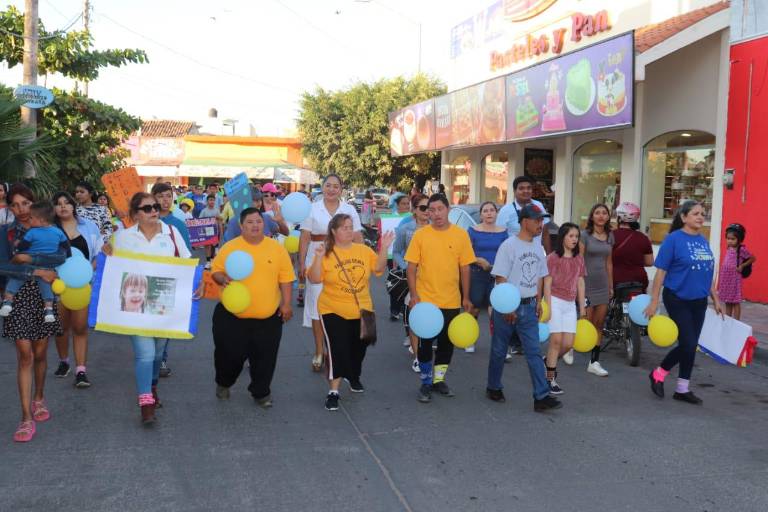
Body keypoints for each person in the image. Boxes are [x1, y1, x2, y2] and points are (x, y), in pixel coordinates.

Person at [110, 192, 194, 425]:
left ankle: (153, 384)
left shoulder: (172, 233)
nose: (154, 211)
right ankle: (146, 401)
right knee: (145, 354)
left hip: (164, 303)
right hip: (135, 303)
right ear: (135, 214)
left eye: (155, 207)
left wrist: (194, 286)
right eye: (147, 208)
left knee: (157, 353)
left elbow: (186, 263)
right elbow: (110, 265)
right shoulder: (123, 237)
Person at [0, 185, 65, 442]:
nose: (21, 210)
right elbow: (5, 265)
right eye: (15, 205)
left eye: (25, 203)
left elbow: (63, 256)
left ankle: (39, 396)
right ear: (10, 207)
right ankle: (26, 417)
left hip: (45, 296)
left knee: (39, 353)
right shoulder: (6, 233)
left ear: (33, 204)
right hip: (16, 297)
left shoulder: (50, 230)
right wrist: (39, 271)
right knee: (24, 355)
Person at [309, 213, 393, 410]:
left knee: (359, 348)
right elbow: (313, 278)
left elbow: (379, 268)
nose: (349, 231)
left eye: (350, 226)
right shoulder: (326, 252)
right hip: (332, 309)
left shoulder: (363, 250)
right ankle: (333, 392)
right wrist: (319, 258)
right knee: (338, 349)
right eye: (344, 227)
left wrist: (384, 248)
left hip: (363, 309)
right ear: (333, 231)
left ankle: (353, 375)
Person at [211, 208, 294, 407]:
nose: (255, 225)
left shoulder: (276, 248)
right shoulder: (230, 247)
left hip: (267, 317)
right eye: (250, 222)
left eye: (258, 221)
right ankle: (224, 382)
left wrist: (286, 304)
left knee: (265, 358)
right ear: (241, 226)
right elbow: (216, 272)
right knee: (229, 356)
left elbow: (286, 278)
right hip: (232, 317)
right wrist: (223, 278)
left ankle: (261, 392)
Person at [645, 201, 723, 405]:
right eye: (696, 213)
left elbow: (708, 271)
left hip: (699, 300)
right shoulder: (673, 240)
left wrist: (715, 297)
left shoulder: (703, 241)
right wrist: (655, 301)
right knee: (688, 343)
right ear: (684, 217)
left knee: (691, 345)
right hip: (677, 298)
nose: (700, 217)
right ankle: (659, 373)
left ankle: (682, 388)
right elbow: (660, 271)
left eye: (703, 214)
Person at [486, 204, 561, 411]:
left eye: (542, 220)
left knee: (534, 352)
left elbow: (539, 276)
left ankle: (541, 396)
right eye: (537, 220)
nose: (541, 224)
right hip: (507, 306)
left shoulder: (538, 247)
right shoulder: (509, 246)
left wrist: (538, 301)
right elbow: (501, 278)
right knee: (500, 349)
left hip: (528, 307)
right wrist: (506, 306)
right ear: (524, 221)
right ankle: (493, 386)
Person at [405, 194, 475, 402]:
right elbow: (411, 268)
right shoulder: (421, 235)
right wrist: (414, 295)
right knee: (426, 343)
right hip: (426, 301)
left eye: (439, 209)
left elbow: (465, 269)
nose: (436, 214)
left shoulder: (461, 235)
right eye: (431, 210)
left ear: (448, 209)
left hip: (451, 300)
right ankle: (426, 382)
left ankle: (439, 380)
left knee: (446, 343)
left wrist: (466, 297)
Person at [299, 174, 363, 372]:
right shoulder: (311, 208)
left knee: (339, 307)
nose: (331, 189)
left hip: (344, 263)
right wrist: (301, 263)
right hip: (317, 261)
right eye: (328, 185)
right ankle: (319, 351)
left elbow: (358, 236)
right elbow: (304, 237)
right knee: (317, 307)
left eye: (336, 186)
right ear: (322, 187)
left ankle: (335, 350)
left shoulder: (349, 209)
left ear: (341, 189)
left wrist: (362, 262)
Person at [51, 191, 103, 388]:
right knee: (62, 327)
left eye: (66, 203)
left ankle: (81, 370)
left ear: (73, 206)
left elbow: (99, 253)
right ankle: (64, 362)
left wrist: (88, 270)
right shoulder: (50, 230)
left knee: (80, 328)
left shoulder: (89, 227)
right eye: (58, 204)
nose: (63, 206)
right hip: (59, 286)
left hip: (83, 285)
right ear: (54, 209)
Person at [498, 176, 552, 356]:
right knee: (514, 299)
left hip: (534, 255)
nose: (526, 191)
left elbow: (544, 233)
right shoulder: (506, 211)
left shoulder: (538, 207)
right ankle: (509, 340)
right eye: (522, 188)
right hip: (513, 261)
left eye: (529, 188)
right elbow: (500, 235)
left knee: (531, 296)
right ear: (515, 191)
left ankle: (523, 340)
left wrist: (548, 253)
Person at [0, 201, 70, 322]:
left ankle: (8, 302)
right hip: (48, 263)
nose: (29, 219)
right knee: (45, 283)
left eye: (32, 217)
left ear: (42, 220)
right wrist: (66, 257)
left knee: (16, 278)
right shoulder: (58, 232)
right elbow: (66, 246)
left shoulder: (32, 232)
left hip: (30, 260)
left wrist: (17, 246)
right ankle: (48, 310)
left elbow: (23, 246)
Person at [151, 182, 193, 378]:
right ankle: (149, 357)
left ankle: (162, 358)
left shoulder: (178, 224)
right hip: (148, 278)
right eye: (160, 196)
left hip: (170, 280)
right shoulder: (144, 221)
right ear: (153, 199)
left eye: (168, 196)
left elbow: (186, 254)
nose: (165, 200)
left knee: (165, 322)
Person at [543, 223, 586, 394]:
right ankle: (550, 379)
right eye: (571, 236)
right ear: (562, 238)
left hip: (569, 304)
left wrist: (582, 307)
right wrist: (548, 307)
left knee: (568, 344)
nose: (574, 239)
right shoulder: (552, 258)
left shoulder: (579, 259)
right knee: (556, 341)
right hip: (554, 300)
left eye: (576, 236)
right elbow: (547, 283)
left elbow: (580, 282)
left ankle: (547, 361)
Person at [392, 193, 429, 372]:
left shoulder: (436, 229)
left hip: (432, 280)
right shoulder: (405, 229)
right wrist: (407, 266)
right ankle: (417, 357)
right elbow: (397, 251)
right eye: (422, 207)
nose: (427, 211)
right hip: (412, 279)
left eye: (429, 208)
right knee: (415, 316)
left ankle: (426, 349)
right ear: (414, 210)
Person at [466, 201, 508, 354]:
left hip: (497, 275)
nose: (489, 213)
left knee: (496, 309)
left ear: (496, 213)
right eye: (486, 211)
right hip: (477, 274)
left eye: (492, 210)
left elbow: (507, 253)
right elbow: (466, 253)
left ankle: (500, 345)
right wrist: (479, 260)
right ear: (481, 214)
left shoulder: (504, 232)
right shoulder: (472, 230)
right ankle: (469, 339)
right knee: (474, 308)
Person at [579, 203, 613, 377]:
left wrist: (611, 285)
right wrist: (579, 285)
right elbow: (579, 261)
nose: (601, 216)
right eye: (597, 213)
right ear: (592, 216)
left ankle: (594, 362)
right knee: (586, 322)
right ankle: (570, 346)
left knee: (599, 324)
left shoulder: (610, 236)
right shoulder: (584, 235)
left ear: (608, 216)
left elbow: (609, 262)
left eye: (604, 213)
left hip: (602, 285)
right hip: (586, 283)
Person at [611, 202, 653, 291]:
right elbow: (649, 262)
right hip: (638, 280)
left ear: (618, 218)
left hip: (615, 279)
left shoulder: (610, 236)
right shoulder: (643, 238)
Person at [717, 223, 755, 320]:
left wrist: (742, 265)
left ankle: (737, 321)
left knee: (735, 301)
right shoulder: (729, 247)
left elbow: (752, 258)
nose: (729, 241)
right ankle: (728, 319)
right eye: (728, 238)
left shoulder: (741, 249)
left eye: (732, 239)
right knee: (727, 300)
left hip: (734, 278)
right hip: (726, 278)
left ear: (739, 239)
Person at [385, 192, 411, 321]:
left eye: (408, 203)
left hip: (407, 256)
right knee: (396, 282)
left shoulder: (412, 218)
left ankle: (402, 307)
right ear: (397, 205)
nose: (406, 206)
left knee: (407, 283)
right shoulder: (389, 219)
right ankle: (394, 310)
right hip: (392, 255)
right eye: (403, 204)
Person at [199, 194, 223, 268]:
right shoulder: (204, 211)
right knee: (208, 247)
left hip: (215, 231)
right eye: (210, 200)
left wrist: (221, 231)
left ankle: (212, 261)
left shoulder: (217, 210)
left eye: (213, 200)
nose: (212, 202)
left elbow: (220, 221)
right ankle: (208, 262)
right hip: (206, 231)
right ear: (207, 201)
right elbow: (199, 221)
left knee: (214, 247)